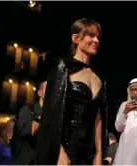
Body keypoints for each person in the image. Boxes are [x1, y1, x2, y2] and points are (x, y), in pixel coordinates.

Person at [36, 18, 108, 165]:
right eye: (91, 35)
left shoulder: (99, 76)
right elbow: (50, 113)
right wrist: (59, 152)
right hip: (65, 151)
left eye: (98, 37)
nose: (96, 40)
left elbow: (98, 117)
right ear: (75, 38)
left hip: (89, 154)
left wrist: (99, 153)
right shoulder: (63, 67)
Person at [11, 80, 47, 165]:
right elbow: (28, 131)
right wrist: (45, 113)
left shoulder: (54, 115)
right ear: (39, 93)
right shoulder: (27, 110)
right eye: (48, 88)